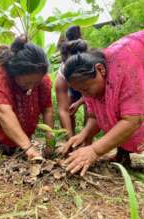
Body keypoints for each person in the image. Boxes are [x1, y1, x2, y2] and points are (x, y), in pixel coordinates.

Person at [62, 31, 144, 176]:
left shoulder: (124, 65)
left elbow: (132, 119)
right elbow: (96, 116)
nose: (86, 95)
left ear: (101, 69)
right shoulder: (92, 78)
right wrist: (83, 134)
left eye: (86, 89)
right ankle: (123, 154)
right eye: (81, 91)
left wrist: (94, 150)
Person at [0, 35, 53, 158]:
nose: (31, 87)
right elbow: (2, 110)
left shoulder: (41, 76)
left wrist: (50, 143)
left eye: (36, 83)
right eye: (27, 83)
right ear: (13, 74)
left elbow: (47, 109)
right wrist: (28, 147)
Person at [55, 26, 88, 138]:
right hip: (71, 89)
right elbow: (62, 109)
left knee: (90, 106)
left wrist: (79, 102)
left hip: (89, 89)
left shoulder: (90, 65)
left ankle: (87, 141)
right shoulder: (62, 73)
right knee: (68, 107)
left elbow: (94, 98)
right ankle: (71, 139)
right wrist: (70, 140)